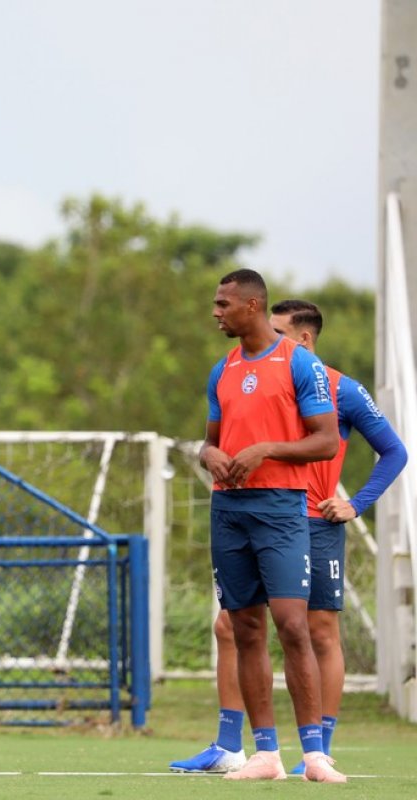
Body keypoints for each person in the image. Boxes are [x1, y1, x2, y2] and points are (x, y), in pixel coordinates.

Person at [171, 299, 407, 777]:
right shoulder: (246, 371)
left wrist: (355, 503)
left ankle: (318, 751)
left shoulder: (340, 388)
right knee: (232, 626)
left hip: (312, 521)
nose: (268, 340)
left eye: (278, 332)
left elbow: (394, 452)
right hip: (256, 513)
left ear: (303, 340)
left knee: (314, 631)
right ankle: (231, 744)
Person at [198, 270, 347, 783]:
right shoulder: (222, 370)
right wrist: (211, 455)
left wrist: (266, 449)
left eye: (224, 303)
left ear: (252, 305)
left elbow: (326, 441)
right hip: (229, 510)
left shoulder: (299, 363)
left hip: (283, 510)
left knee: (293, 625)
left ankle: (314, 756)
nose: (216, 312)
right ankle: (265, 755)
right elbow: (208, 442)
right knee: (245, 627)